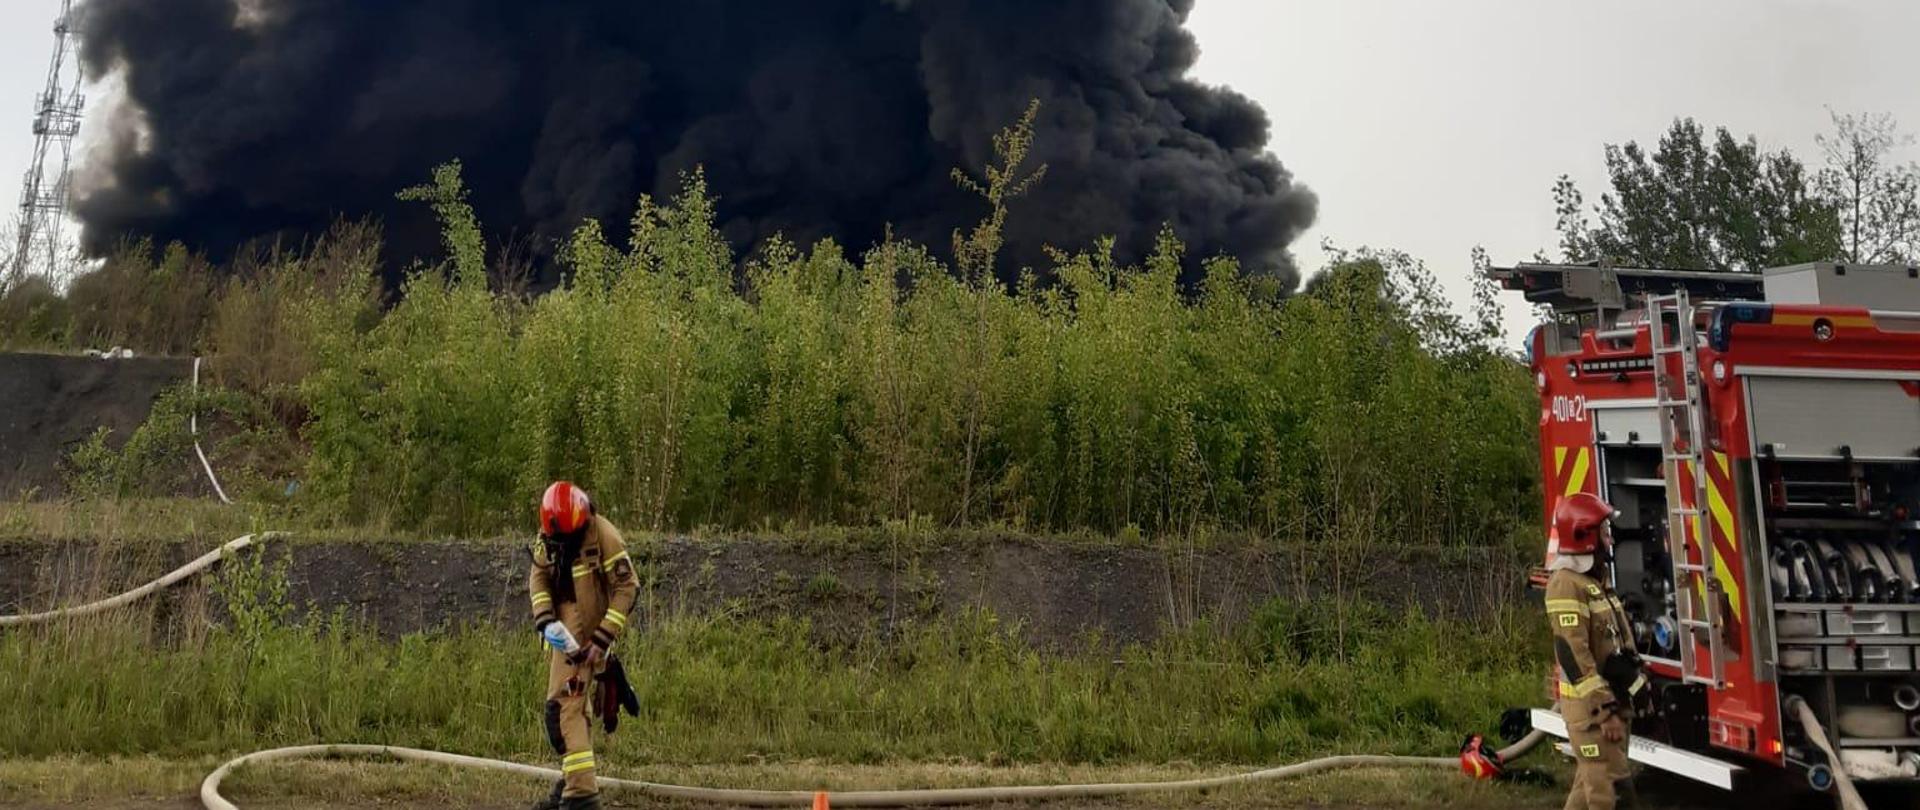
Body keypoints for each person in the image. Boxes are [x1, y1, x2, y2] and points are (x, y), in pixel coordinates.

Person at [528, 481, 639, 810]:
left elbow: (627, 587)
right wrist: (545, 620)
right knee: (570, 711)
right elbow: (539, 576)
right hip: (562, 628)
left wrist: (602, 639)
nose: (563, 543)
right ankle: (572, 783)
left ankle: (581, 796)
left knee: (564, 709)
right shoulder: (550, 532)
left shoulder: (603, 534)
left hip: (586, 633)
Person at [1547, 492, 1647, 810]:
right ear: (1585, 535)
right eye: (1605, 532)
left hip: (1609, 707)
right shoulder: (1566, 584)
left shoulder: (1593, 580)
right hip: (1593, 716)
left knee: (1586, 790)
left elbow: (1613, 642)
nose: (1610, 540)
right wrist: (1604, 711)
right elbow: (1573, 654)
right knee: (1613, 796)